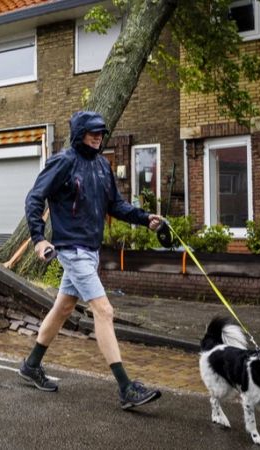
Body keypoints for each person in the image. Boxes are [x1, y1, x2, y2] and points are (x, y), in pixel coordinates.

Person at [19, 110, 164, 410]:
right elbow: (34, 198)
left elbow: (116, 205)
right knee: (104, 310)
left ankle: (31, 365)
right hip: (71, 249)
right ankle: (126, 388)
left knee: (63, 308)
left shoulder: (101, 165)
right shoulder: (63, 162)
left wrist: (143, 218)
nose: (98, 136)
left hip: (90, 250)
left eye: (101, 132)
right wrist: (39, 238)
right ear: (79, 133)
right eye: (92, 132)